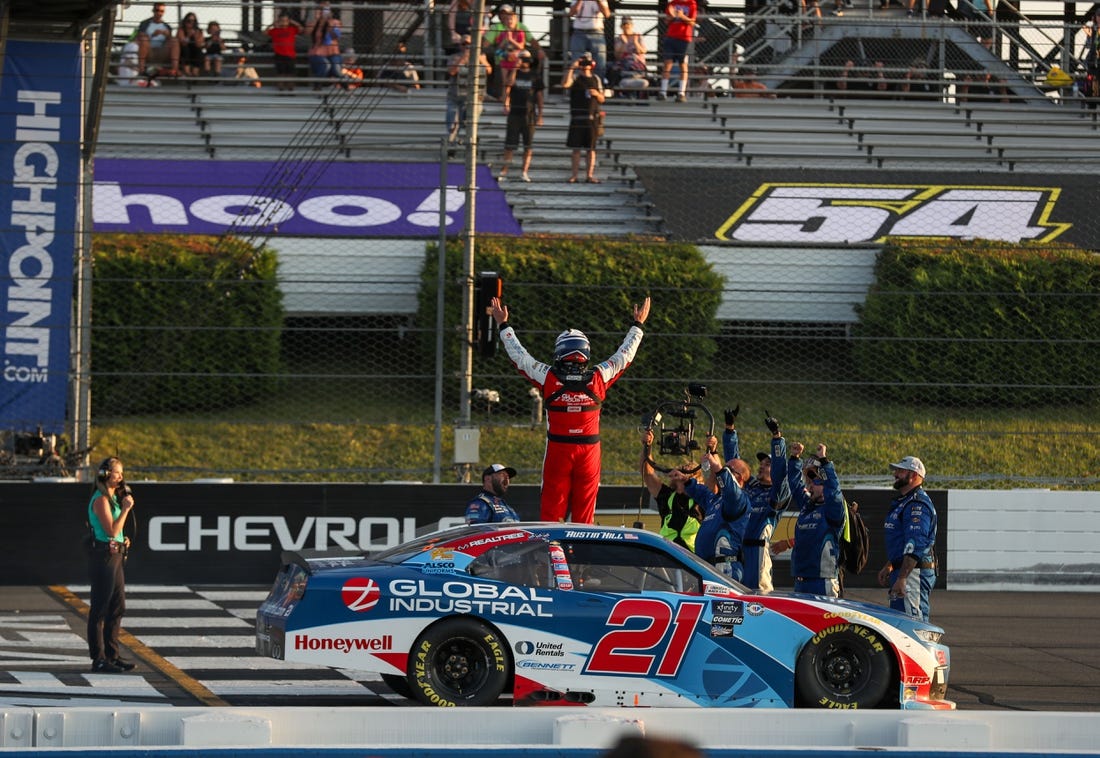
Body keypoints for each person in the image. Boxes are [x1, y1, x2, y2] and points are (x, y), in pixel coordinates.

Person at [489, 294, 651, 524]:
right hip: (589, 452)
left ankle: (552, 553)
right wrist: (637, 325)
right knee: (584, 513)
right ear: (585, 352)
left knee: (551, 514)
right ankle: (581, 554)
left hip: (558, 451)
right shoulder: (598, 376)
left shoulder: (548, 376)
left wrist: (504, 325)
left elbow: (521, 358)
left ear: (559, 352)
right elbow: (624, 356)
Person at [722, 407, 790, 593]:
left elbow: (781, 470)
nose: (761, 466)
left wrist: (777, 437)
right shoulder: (751, 486)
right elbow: (734, 466)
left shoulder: (778, 494)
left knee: (760, 599)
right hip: (737, 551)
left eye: (767, 464)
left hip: (758, 553)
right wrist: (730, 430)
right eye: (760, 463)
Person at [771, 434, 846, 597]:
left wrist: (824, 461)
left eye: (814, 481)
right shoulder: (808, 505)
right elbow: (795, 484)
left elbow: (834, 490)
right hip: (800, 581)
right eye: (808, 481)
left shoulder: (833, 508)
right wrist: (795, 458)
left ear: (824, 482)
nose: (810, 486)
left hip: (823, 582)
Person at [670, 438, 752, 581]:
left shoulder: (739, 500)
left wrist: (719, 470)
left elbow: (731, 491)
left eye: (729, 470)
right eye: (724, 469)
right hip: (707, 568)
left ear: (740, 479)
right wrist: (686, 480)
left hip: (725, 569)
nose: (724, 471)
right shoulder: (716, 499)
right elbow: (701, 493)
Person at [86, 457, 136, 674]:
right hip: (103, 557)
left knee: (118, 606)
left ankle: (112, 655)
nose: (121, 477)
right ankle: (98, 658)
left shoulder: (113, 498)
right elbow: (110, 531)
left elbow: (119, 532)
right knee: (100, 609)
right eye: (117, 473)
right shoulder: (101, 501)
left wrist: (125, 539)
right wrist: (125, 510)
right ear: (107, 475)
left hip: (116, 556)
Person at [878, 456, 938, 621]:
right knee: (901, 625)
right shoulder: (904, 502)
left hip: (913, 573)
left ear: (913, 475)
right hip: (905, 570)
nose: (895, 474)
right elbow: (903, 542)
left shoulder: (916, 504)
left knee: (912, 624)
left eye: (900, 471)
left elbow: (915, 543)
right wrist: (891, 564)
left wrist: (902, 577)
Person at [640, 429, 704, 551]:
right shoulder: (667, 495)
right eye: (682, 471)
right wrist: (647, 446)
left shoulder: (702, 499)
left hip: (694, 560)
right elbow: (647, 474)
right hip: (668, 557)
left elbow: (716, 481)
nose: (683, 475)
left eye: (690, 474)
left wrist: (712, 450)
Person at [498, 49, 544, 183]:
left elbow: (539, 97)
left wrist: (540, 115)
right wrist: (515, 68)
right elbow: (508, 85)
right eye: (522, 58)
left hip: (529, 115)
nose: (524, 61)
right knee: (509, 145)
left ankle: (524, 172)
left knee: (528, 145)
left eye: (525, 58)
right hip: (514, 114)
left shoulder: (535, 75)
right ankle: (504, 170)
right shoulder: (515, 73)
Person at [562, 53, 605, 184]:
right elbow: (565, 84)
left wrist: (597, 94)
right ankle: (574, 175)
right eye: (583, 63)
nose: (585, 66)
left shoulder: (596, 78)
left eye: (587, 63)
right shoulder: (575, 77)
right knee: (576, 149)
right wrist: (572, 68)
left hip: (592, 118)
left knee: (591, 149)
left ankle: (589, 175)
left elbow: (602, 99)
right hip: (577, 117)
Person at [445, 35, 490, 145]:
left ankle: (471, 148)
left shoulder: (481, 56)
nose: (467, 47)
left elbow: (489, 70)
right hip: (455, 97)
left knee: (471, 124)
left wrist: (478, 57)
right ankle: (451, 148)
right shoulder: (454, 57)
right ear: (460, 45)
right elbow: (452, 71)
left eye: (469, 44)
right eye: (464, 44)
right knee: (452, 125)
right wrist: (464, 58)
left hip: (474, 98)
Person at [485, 5, 528, 102]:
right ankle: (505, 97)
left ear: (515, 20)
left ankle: (508, 94)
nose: (509, 22)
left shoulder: (520, 32)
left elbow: (521, 46)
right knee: (504, 80)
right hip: (505, 57)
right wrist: (505, 40)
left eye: (511, 19)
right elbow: (499, 47)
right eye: (507, 20)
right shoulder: (503, 32)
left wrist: (511, 40)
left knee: (519, 58)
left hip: (515, 57)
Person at [659, 0, 697, 102]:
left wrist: (681, 16)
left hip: (684, 39)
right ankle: (663, 92)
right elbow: (667, 21)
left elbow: (692, 22)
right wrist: (672, 16)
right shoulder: (672, 3)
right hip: (671, 37)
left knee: (683, 64)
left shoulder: (691, 4)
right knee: (667, 64)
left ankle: (681, 93)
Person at [568, 0, 611, 85]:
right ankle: (576, 86)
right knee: (577, 61)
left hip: (596, 32)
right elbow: (571, 13)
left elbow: (607, 14)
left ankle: (598, 87)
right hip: (579, 32)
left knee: (599, 62)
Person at [133, 3, 181, 77]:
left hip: (162, 50)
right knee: (144, 40)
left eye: (161, 11)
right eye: (157, 10)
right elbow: (139, 36)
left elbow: (170, 41)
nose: (159, 13)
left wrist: (167, 35)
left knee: (174, 41)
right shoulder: (145, 24)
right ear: (153, 11)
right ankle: (142, 70)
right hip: (149, 50)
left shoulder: (167, 26)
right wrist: (152, 35)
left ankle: (175, 70)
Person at [307, 1, 343, 90]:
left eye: (325, 10)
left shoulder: (334, 22)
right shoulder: (314, 23)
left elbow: (336, 36)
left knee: (336, 69)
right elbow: (307, 32)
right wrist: (318, 20)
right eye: (320, 10)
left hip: (332, 50)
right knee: (325, 65)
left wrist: (329, 24)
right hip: (319, 51)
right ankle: (318, 86)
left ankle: (346, 89)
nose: (323, 13)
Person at [610, 16, 649, 96]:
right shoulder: (619, 39)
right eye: (624, 24)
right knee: (616, 67)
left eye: (628, 24)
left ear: (632, 25)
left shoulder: (638, 36)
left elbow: (642, 51)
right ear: (621, 26)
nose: (626, 26)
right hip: (624, 63)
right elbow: (618, 56)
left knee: (634, 64)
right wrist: (624, 43)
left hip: (636, 63)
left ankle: (634, 88)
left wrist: (635, 42)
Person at [266, 12, 302, 92]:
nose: (283, 22)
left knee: (290, 73)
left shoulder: (292, 29)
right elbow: (265, 33)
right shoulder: (275, 30)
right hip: (279, 54)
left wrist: (293, 22)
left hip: (290, 55)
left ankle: (290, 88)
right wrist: (272, 24)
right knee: (280, 72)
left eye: (286, 21)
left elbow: (301, 29)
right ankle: (281, 89)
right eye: (282, 20)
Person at [177, 12, 205, 77]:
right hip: (184, 50)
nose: (191, 23)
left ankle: (195, 72)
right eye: (189, 21)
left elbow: (199, 44)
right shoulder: (181, 30)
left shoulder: (199, 31)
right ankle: (187, 72)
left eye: (193, 21)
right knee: (185, 49)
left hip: (194, 50)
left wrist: (195, 36)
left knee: (198, 51)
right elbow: (182, 42)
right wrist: (189, 35)